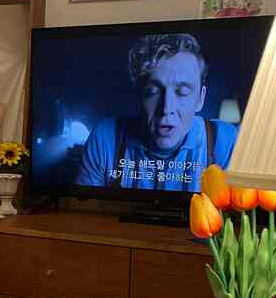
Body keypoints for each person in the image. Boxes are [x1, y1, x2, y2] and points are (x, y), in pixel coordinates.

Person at [76, 33, 239, 192]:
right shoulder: (106, 138)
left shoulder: (224, 141)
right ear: (139, 96)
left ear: (200, 99)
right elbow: (84, 209)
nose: (166, 109)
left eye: (182, 92)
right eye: (153, 91)